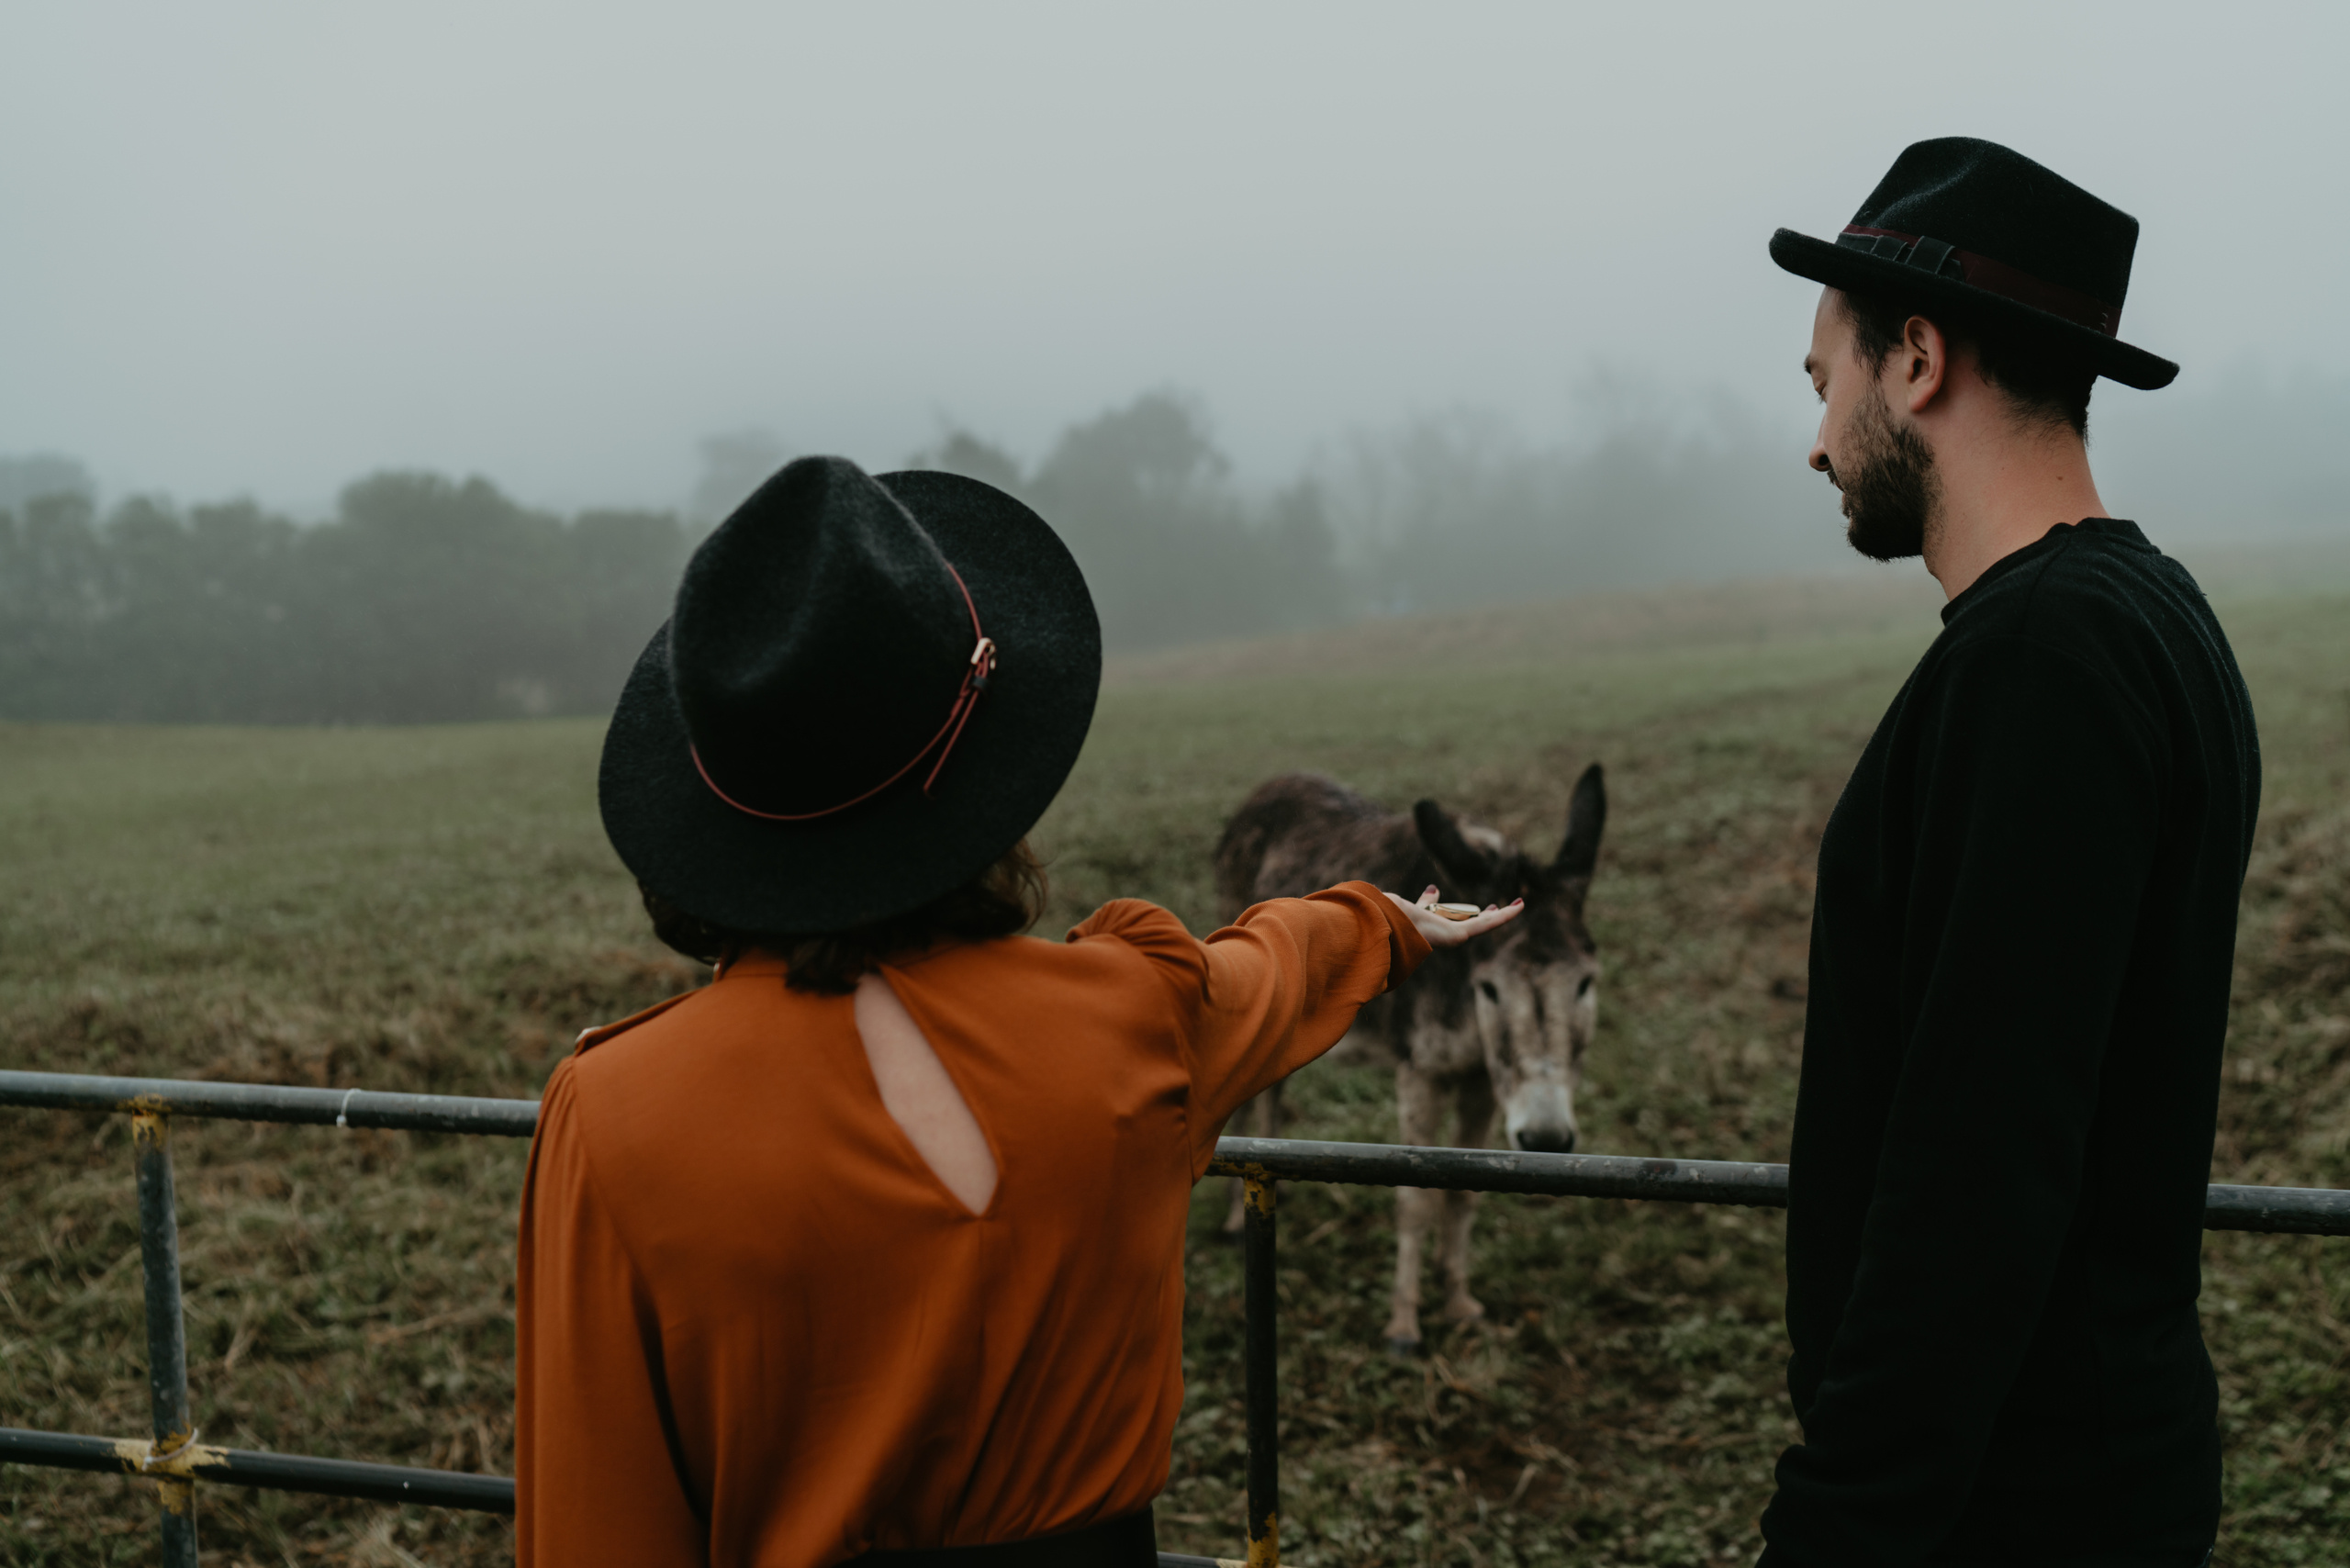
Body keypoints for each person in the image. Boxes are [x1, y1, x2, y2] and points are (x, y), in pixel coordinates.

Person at [512, 455, 1520, 1567]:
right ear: (990, 762)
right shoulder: (1138, 1015)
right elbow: (1273, 963)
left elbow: (594, 1522)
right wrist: (1383, 918)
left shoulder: (613, 1120)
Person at [1752, 139, 2261, 1566]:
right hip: (2083, 1464)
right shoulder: (2154, 620)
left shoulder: (2043, 660)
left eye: (1823, 386)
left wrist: (1846, 1520)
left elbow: (1978, 1166)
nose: (1814, 441)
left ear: (1914, 360)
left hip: (2012, 1505)